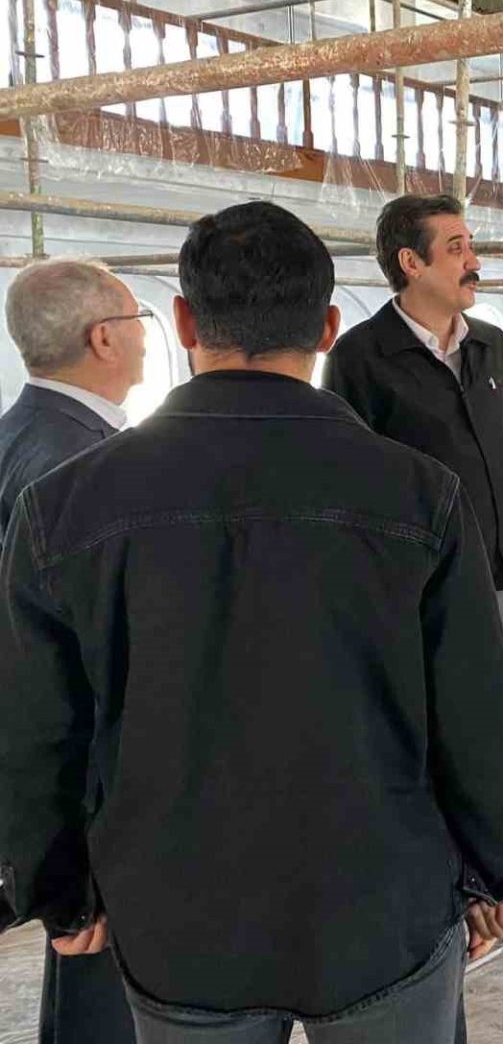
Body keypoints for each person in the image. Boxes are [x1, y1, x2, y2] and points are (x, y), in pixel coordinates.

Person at [0, 201, 503, 1044]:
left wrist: (58, 887)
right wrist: (501, 870)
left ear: (184, 321)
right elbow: (478, 717)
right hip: (381, 908)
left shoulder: (63, 507)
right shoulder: (419, 496)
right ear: (329, 327)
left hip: (180, 919)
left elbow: (35, 726)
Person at [323, 193, 503, 961]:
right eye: (457, 247)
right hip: (419, 589)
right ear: (411, 262)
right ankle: (438, 895)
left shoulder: (494, 347)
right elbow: (346, 483)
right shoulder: (361, 359)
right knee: (426, 734)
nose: (474, 261)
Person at [0, 258, 145, 1044]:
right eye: (138, 321)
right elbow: (80, 668)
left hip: (42, 769)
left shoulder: (20, 434)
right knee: (100, 978)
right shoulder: (83, 466)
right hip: (84, 780)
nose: (146, 339)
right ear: (103, 339)